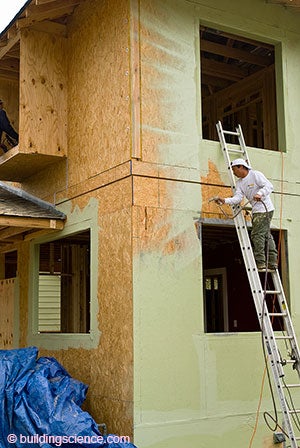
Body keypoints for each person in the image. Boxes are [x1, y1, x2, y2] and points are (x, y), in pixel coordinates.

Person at [214, 158, 278, 271]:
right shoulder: (239, 183)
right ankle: (272, 262)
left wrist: (260, 193)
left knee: (256, 235)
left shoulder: (255, 175)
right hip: (257, 210)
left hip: (265, 209)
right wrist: (224, 200)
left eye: (234, 170)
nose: (233, 173)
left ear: (241, 167)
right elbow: (238, 198)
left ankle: (261, 262)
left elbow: (269, 186)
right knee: (266, 235)